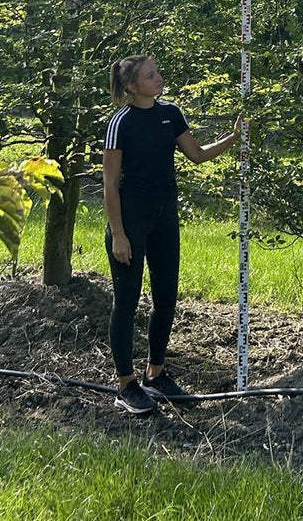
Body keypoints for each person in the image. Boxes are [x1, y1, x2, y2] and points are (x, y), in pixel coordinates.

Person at [102, 53, 240, 415]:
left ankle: (155, 374)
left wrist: (234, 138)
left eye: (158, 73)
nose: (158, 79)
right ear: (132, 87)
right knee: (127, 302)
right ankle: (126, 384)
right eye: (150, 75)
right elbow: (110, 182)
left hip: (165, 216)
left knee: (166, 298)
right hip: (130, 220)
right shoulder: (120, 123)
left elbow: (196, 154)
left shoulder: (171, 113)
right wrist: (118, 233)